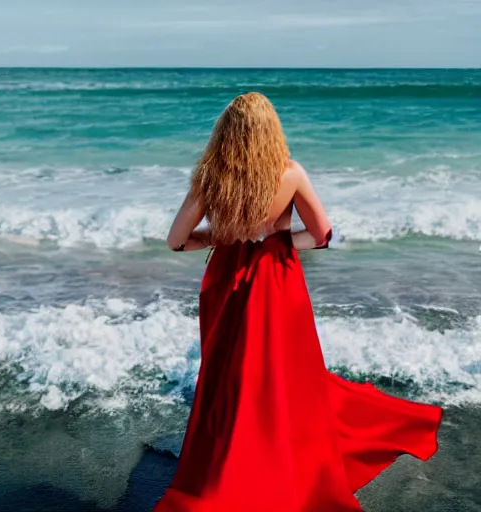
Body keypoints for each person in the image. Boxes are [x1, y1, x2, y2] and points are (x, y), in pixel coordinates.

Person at [154, 92, 442, 511]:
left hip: (227, 280)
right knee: (284, 369)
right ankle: (285, 446)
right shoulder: (290, 174)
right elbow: (322, 235)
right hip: (276, 279)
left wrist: (222, 238)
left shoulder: (210, 178)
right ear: (272, 131)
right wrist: (278, 243)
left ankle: (232, 454)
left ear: (224, 134)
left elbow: (176, 242)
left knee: (230, 374)